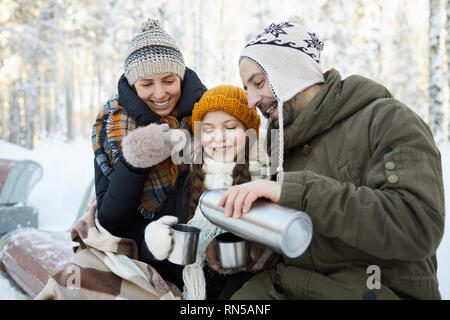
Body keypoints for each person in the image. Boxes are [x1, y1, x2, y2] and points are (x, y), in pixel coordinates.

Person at [212, 18, 445, 300]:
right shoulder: (282, 141)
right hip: (288, 284)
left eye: (258, 82)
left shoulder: (386, 120)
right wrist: (254, 246)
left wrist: (296, 192)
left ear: (292, 72)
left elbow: (416, 226)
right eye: (247, 88)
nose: (251, 100)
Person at [91, 18, 206, 290]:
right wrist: (135, 162)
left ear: (181, 76)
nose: (160, 93)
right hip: (140, 259)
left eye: (169, 80)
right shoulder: (111, 126)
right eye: (146, 84)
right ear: (133, 86)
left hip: (200, 255)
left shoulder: (207, 115)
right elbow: (111, 222)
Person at [144, 85, 279, 300]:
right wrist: (157, 239)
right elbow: (163, 242)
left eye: (230, 127)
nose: (219, 138)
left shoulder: (263, 178)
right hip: (189, 288)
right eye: (208, 130)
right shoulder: (188, 177)